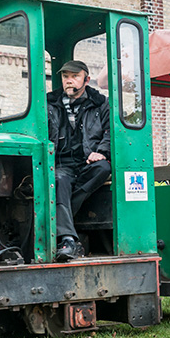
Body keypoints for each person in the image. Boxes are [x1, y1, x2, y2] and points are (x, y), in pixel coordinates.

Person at [47, 60, 111, 262]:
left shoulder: (101, 103)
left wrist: (101, 151)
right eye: (65, 76)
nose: (69, 80)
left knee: (103, 167)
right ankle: (68, 240)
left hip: (87, 163)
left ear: (86, 79)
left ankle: (60, 216)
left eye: (74, 76)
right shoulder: (49, 103)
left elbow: (111, 131)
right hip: (62, 164)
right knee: (59, 180)